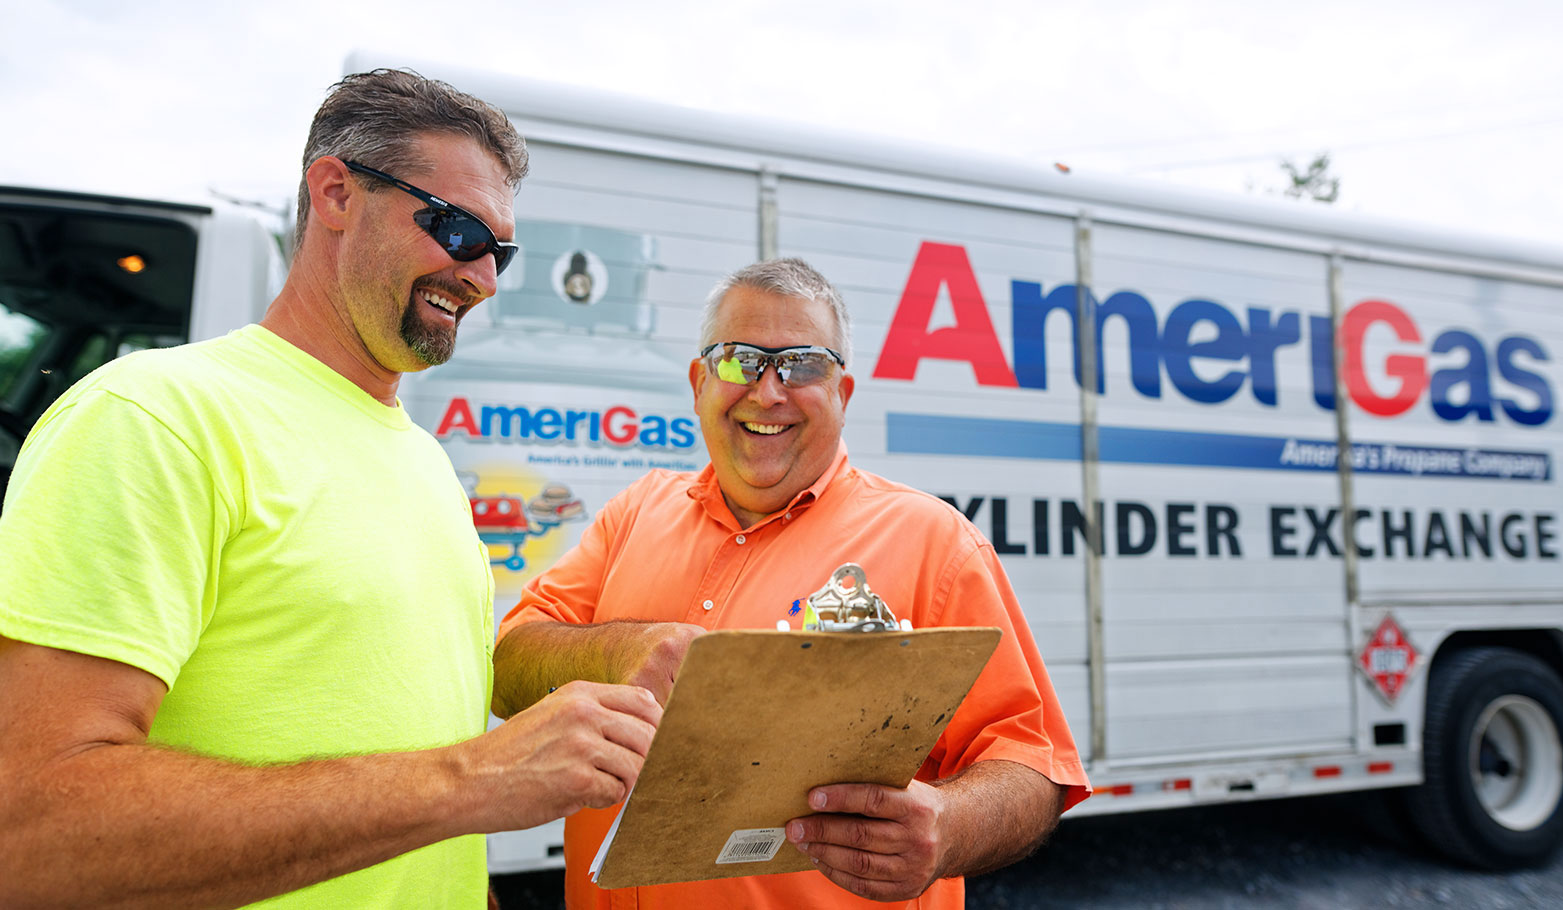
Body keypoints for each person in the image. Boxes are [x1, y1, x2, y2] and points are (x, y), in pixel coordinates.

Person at [0, 69, 661, 909]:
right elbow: (30, 836)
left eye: (500, 250)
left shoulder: (420, 460)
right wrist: (475, 778)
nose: (484, 277)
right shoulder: (153, 418)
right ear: (337, 193)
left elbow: (409, 772)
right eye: (457, 231)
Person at [492, 257, 1091, 909]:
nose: (768, 391)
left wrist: (946, 829)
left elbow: (1035, 765)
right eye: (737, 359)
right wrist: (618, 651)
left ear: (844, 392)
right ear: (698, 383)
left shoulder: (934, 542)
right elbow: (510, 663)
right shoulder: (636, 512)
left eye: (802, 364)